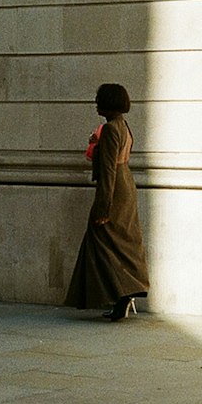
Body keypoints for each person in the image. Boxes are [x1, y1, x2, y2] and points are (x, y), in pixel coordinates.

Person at [64, 83, 149, 321]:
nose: (96, 103)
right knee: (122, 244)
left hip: (114, 190)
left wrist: (102, 207)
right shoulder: (123, 126)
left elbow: (108, 171)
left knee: (103, 243)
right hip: (126, 187)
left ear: (109, 102)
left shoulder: (111, 129)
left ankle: (121, 295)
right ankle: (124, 296)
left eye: (99, 99)